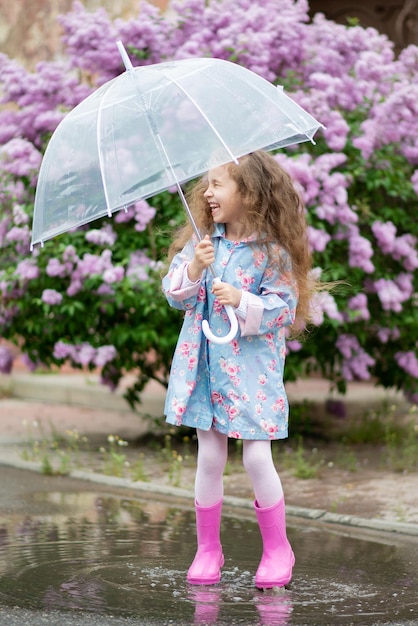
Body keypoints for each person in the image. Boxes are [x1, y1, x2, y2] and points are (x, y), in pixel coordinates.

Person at [162, 150, 316, 589]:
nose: (206, 193)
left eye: (217, 184)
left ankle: (277, 548)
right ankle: (208, 549)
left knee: (254, 456)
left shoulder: (272, 253)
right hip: (206, 369)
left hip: (251, 374)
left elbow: (283, 309)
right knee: (209, 456)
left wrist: (242, 300)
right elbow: (175, 294)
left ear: (249, 193)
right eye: (205, 185)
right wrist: (194, 268)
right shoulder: (203, 242)